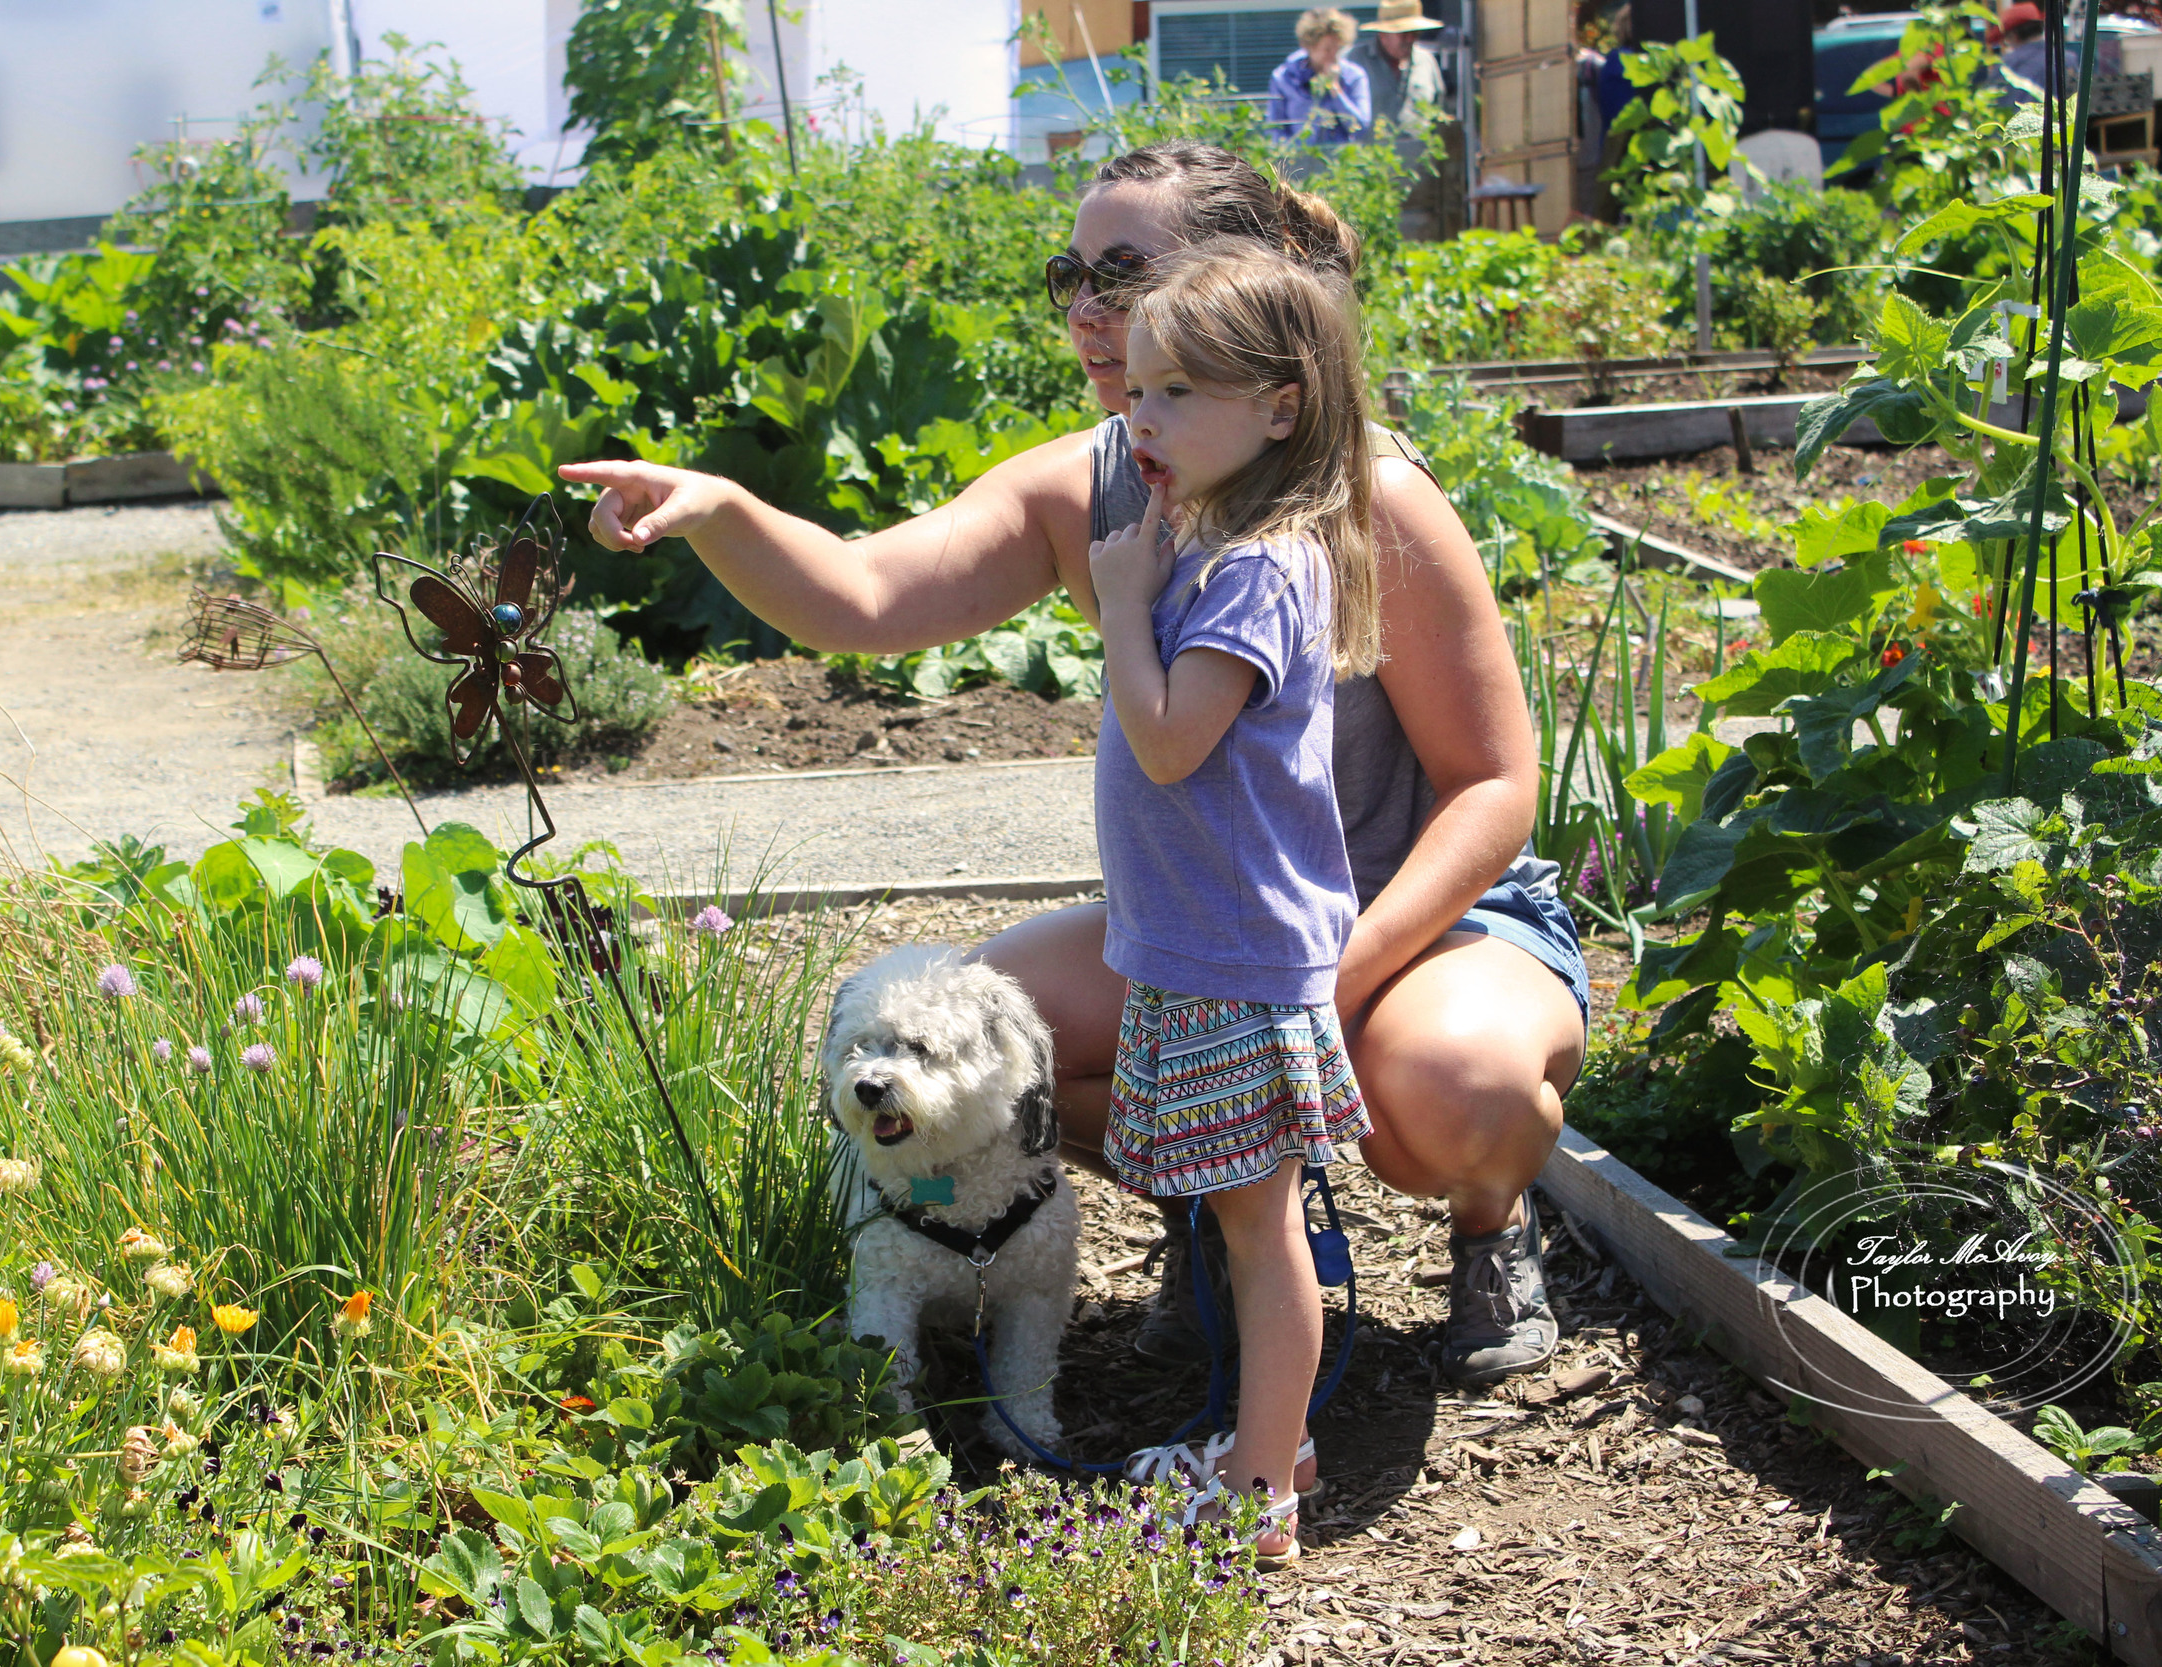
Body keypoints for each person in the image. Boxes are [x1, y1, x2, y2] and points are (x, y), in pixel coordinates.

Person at [558, 141, 1585, 1404]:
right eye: (1071, 275)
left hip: (1427, 922)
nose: (1088, 311)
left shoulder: (1367, 495)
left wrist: (1335, 972)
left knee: (1450, 1089)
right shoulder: (1093, 479)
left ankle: (1491, 1220)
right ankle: (1217, 1204)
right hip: (1221, 922)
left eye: (1124, 271)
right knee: (986, 1048)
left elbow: (1491, 785)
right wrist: (719, 505)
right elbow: (867, 593)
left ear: (1241, 287)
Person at [1087, 237, 1379, 1564]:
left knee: (1264, 1241)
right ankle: (1273, 1442)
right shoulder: (1212, 539)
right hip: (1198, 948)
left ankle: (1260, 1494)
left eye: (1180, 394)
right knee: (1245, 1223)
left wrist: (1120, 605)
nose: (1143, 415)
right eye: (1140, 390)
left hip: (1237, 960)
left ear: (1280, 407)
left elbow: (1168, 740)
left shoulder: (1253, 565)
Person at [1356, 0, 1449, 178]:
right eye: (1404, 33)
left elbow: (1440, 113)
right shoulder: (1355, 62)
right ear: (1383, 34)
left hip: (1420, 172)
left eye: (1415, 33)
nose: (1410, 39)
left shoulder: (1426, 61)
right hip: (1370, 173)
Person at [1267, 8, 1373, 153]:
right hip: (1298, 162)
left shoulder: (1355, 76)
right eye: (1327, 49)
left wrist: (1335, 89)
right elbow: (1274, 129)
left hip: (1341, 164)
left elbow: (1360, 127)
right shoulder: (1283, 78)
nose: (1334, 56)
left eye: (1338, 48)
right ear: (1310, 47)